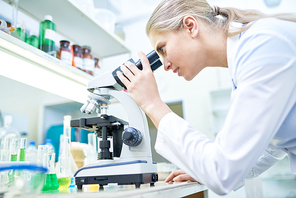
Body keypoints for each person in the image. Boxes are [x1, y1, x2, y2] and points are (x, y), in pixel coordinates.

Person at [116, 0, 296, 195]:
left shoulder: (262, 46)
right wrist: (203, 168)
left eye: (163, 49)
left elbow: (222, 172)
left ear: (190, 26)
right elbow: (272, 145)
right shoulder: (249, 53)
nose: (165, 65)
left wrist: (153, 104)